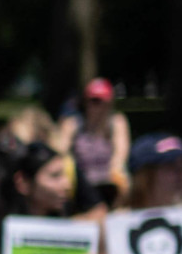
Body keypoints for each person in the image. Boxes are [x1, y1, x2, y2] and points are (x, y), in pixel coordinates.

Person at [55, 79, 130, 212]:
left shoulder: (117, 122)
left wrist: (115, 171)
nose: (98, 107)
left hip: (108, 179)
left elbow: (120, 154)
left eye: (102, 101)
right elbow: (60, 151)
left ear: (110, 103)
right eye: (93, 101)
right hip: (81, 181)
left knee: (123, 181)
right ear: (85, 102)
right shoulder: (72, 124)